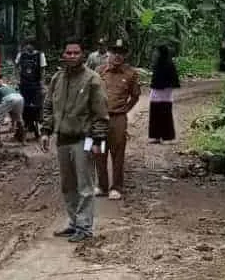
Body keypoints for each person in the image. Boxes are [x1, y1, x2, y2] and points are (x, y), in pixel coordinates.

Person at [41, 38, 109, 242]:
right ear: (63, 55)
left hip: (84, 139)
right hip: (62, 138)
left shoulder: (93, 79)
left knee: (85, 184)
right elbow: (48, 106)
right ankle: (74, 223)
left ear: (83, 55)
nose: (71, 56)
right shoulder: (57, 78)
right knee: (67, 185)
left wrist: (98, 142)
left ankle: (85, 227)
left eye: (75, 53)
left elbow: (101, 114)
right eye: (68, 53)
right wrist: (45, 131)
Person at [95, 39, 141, 200]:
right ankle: (101, 185)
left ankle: (116, 187)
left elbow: (135, 95)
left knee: (118, 152)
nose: (117, 56)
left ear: (124, 56)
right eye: (114, 52)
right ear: (108, 53)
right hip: (99, 118)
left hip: (118, 118)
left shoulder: (130, 74)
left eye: (121, 53)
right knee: (99, 151)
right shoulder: (99, 71)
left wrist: (125, 110)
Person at [148, 45, 181, 144]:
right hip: (155, 94)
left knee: (165, 115)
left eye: (157, 52)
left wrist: (166, 86)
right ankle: (156, 136)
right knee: (155, 115)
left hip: (165, 94)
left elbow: (173, 80)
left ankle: (167, 137)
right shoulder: (157, 63)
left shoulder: (169, 64)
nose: (155, 54)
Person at [15, 38, 47, 139]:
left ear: (34, 46)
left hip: (36, 85)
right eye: (27, 44)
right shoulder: (21, 54)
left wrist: (42, 83)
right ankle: (22, 128)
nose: (28, 46)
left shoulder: (40, 55)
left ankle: (37, 127)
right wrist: (17, 79)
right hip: (24, 84)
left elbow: (42, 70)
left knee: (36, 107)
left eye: (30, 44)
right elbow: (16, 66)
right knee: (23, 107)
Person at [0, 81, 26, 145]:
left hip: (9, 98)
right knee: (19, 118)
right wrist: (12, 125)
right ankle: (23, 141)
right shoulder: (5, 88)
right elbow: (10, 110)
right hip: (20, 98)